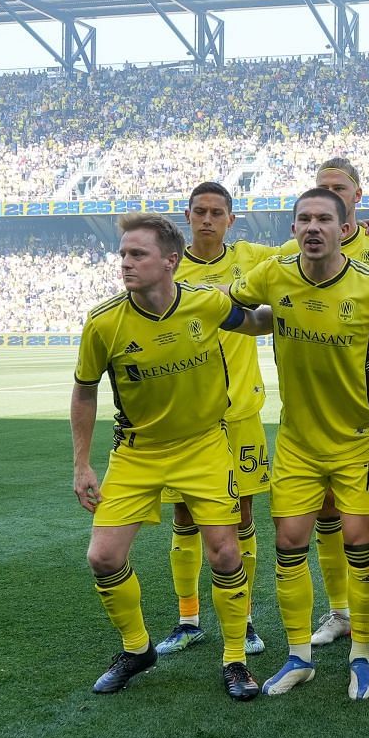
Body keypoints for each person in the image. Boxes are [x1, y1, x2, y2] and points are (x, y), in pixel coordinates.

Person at [227, 186, 369, 700]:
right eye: (303, 220)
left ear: (345, 229)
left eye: (323, 219)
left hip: (360, 441)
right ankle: (300, 657)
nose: (313, 228)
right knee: (289, 544)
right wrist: (252, 320)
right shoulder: (274, 273)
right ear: (293, 229)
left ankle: (361, 655)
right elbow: (234, 309)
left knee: (361, 545)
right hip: (296, 441)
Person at [71, 211, 261, 700]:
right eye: (123, 255)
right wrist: (82, 463)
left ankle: (236, 658)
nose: (126, 264)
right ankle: (137, 649)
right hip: (138, 452)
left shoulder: (207, 305)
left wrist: (299, 300)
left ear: (170, 261)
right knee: (103, 556)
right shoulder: (104, 322)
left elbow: (256, 321)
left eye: (138, 254)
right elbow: (85, 390)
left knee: (224, 551)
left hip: (204, 445)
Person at [155, 182, 276, 660]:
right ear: (187, 216)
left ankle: (243, 620)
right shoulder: (166, 265)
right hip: (183, 418)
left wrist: (361, 224)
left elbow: (319, 245)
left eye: (216, 212)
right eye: (199, 211)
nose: (207, 219)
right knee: (184, 516)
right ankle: (188, 620)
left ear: (231, 219)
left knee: (243, 517)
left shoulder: (255, 258)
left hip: (240, 413)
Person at [292, 157, 369, 655]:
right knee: (325, 518)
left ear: (356, 198)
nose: (328, 199)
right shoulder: (292, 255)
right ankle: (339, 611)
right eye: (321, 191)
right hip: (308, 423)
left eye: (338, 190)